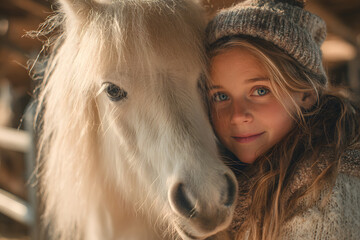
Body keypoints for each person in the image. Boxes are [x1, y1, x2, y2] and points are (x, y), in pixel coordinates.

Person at [204, 0, 360, 239]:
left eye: (260, 91)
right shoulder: (233, 176)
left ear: (306, 94)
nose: (237, 116)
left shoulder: (326, 202)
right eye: (221, 96)